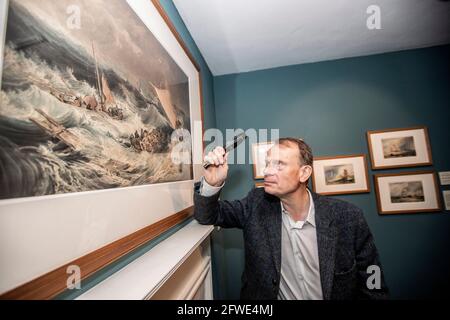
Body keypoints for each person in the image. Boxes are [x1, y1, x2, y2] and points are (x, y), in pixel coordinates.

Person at [193, 137, 389, 300]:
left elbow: (373, 276)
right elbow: (208, 215)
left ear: (304, 173)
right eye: (267, 163)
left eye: (279, 164)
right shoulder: (255, 205)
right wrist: (212, 183)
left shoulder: (348, 217)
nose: (267, 171)